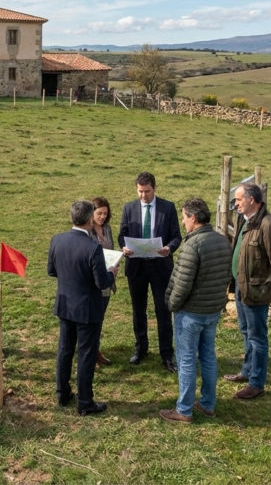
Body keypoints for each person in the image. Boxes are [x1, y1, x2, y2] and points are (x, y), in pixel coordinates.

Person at [160, 198, 232, 423]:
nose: (182, 222)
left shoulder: (192, 245)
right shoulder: (222, 240)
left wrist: (172, 305)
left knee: (187, 358)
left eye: (184, 217)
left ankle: (184, 409)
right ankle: (208, 403)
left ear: (193, 217)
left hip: (191, 312)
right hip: (212, 310)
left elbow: (182, 283)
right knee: (208, 356)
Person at [48, 200, 118, 416]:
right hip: (87, 310)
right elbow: (102, 283)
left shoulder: (57, 240)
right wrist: (112, 273)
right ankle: (85, 402)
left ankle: (63, 393)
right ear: (89, 219)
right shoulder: (93, 247)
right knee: (86, 355)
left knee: (65, 350)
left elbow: (52, 271)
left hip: (65, 304)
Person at [225, 182, 271, 400]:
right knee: (245, 331)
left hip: (256, 291)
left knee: (257, 337)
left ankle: (257, 383)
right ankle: (247, 371)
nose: (235, 204)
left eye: (238, 199)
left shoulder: (268, 225)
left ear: (251, 199)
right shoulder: (245, 220)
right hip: (241, 286)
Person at [118, 172, 182, 372]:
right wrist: (124, 248)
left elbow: (176, 236)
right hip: (136, 266)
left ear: (155, 188)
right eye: (139, 191)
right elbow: (122, 234)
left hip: (160, 266)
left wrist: (169, 249)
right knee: (139, 311)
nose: (143, 195)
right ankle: (141, 349)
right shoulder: (129, 208)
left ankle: (166, 354)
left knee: (163, 311)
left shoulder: (168, 207)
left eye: (146, 191)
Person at [89, 196, 116, 368]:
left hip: (107, 280)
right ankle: (89, 355)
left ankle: (96, 351)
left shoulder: (107, 228)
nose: (102, 217)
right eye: (99, 213)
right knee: (92, 320)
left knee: (100, 319)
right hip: (93, 282)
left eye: (105, 213)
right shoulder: (87, 231)